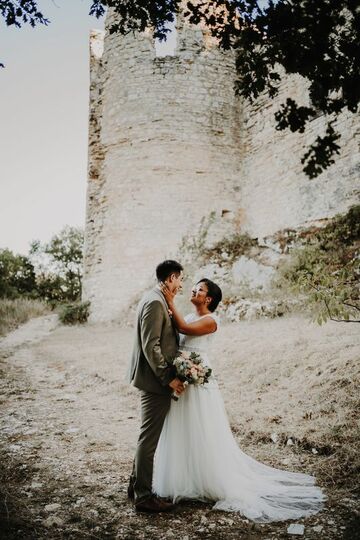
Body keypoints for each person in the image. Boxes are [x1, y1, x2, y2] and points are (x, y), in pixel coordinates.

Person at [153, 278, 326, 523]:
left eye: (199, 289)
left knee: (203, 428)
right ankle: (184, 478)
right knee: (183, 427)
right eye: (193, 287)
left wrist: (169, 299)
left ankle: (209, 478)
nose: (193, 289)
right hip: (184, 376)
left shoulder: (211, 321)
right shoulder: (191, 316)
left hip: (199, 377)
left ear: (209, 298)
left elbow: (183, 329)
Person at [127, 260, 185, 513]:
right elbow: (152, 347)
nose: (182, 284)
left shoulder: (157, 298)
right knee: (148, 440)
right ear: (171, 277)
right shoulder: (154, 302)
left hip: (154, 379)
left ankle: (135, 485)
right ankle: (143, 497)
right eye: (180, 278)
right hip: (154, 381)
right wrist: (167, 377)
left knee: (147, 437)